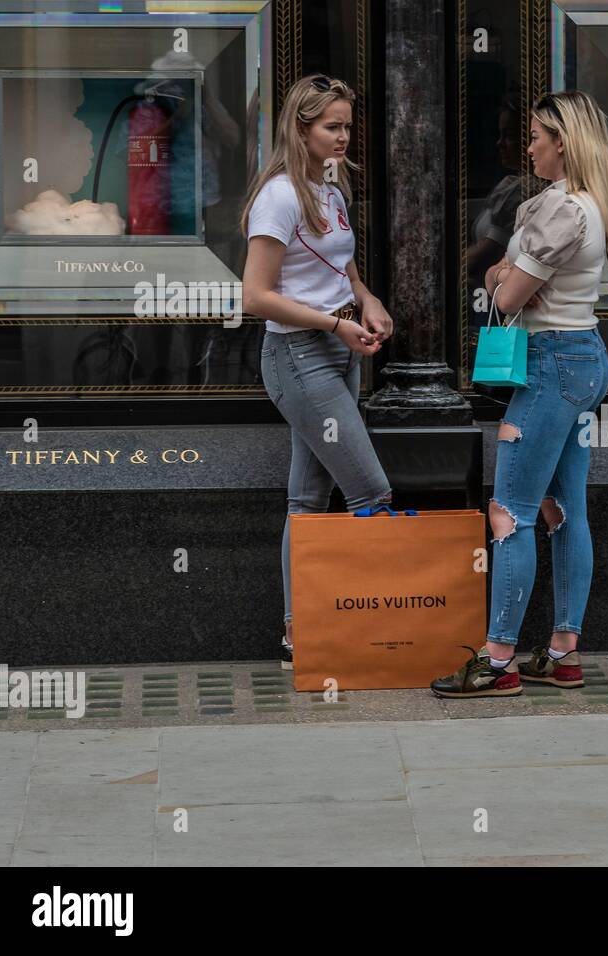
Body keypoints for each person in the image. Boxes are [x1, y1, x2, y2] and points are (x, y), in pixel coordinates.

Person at [431, 91, 608, 698]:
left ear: (563, 141)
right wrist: (502, 276)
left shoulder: (562, 210)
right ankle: (562, 655)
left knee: (509, 514)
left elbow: (505, 298)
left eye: (537, 135)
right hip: (578, 359)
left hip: (550, 364)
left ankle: (499, 661)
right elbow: (501, 279)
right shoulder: (583, 203)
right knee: (565, 513)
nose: (527, 145)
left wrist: (501, 278)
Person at [241, 75, 395, 670]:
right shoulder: (279, 196)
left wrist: (366, 297)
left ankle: (298, 635)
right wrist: (334, 325)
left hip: (333, 354)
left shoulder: (327, 190)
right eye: (332, 126)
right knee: (371, 493)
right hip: (299, 357)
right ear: (300, 127)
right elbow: (255, 296)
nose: (343, 136)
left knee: (307, 502)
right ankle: (381, 629)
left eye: (348, 125)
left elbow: (341, 268)